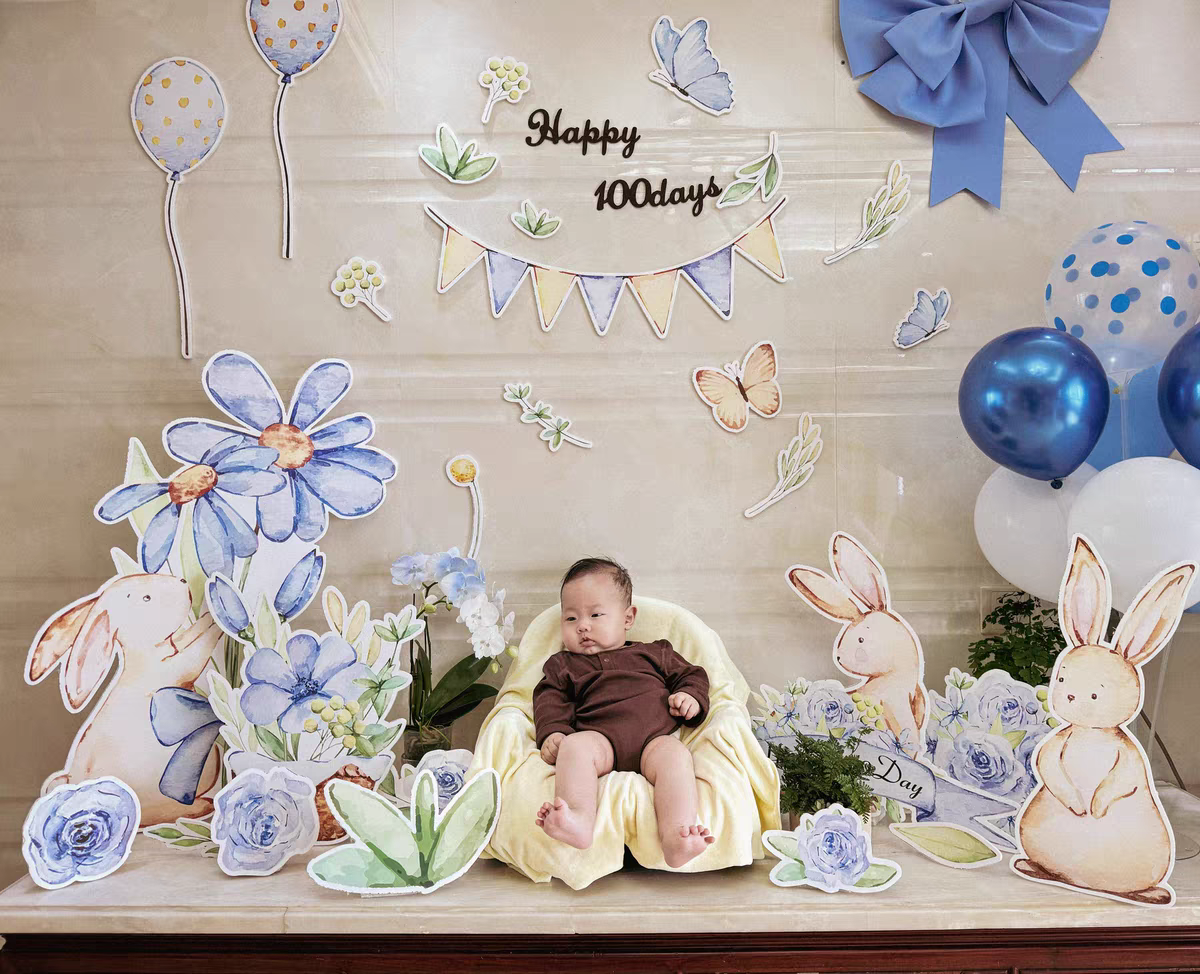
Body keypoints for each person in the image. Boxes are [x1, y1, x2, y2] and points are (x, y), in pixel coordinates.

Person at [533, 556, 716, 867]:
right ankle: (577, 820)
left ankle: (677, 835)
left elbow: (693, 674)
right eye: (571, 619)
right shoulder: (564, 665)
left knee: (676, 757)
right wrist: (553, 732)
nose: (584, 626)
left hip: (653, 741)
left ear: (628, 617)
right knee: (574, 748)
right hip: (598, 740)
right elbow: (549, 698)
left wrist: (689, 696)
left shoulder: (654, 652)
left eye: (595, 614)